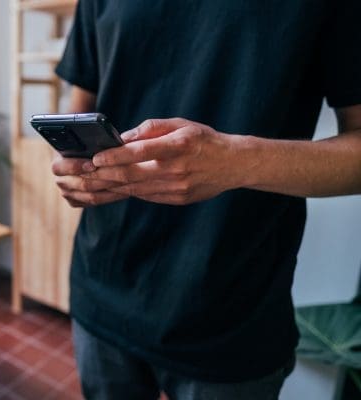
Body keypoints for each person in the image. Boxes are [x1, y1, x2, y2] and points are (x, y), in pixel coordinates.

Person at [50, 1, 361, 399]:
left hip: (233, 315)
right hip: (102, 292)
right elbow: (80, 111)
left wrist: (236, 161)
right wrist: (72, 171)